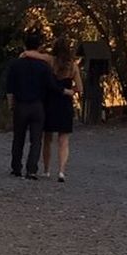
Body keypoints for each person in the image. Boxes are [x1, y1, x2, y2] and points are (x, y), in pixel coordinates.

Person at [2, 32, 60, 179]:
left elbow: (9, 87)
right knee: (36, 139)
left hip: (21, 104)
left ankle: (16, 167)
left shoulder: (15, 65)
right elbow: (51, 86)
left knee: (18, 137)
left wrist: (11, 104)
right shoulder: (44, 66)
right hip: (37, 105)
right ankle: (32, 169)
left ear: (24, 46)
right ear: (39, 46)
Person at [42, 39, 80, 182]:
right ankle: (61, 171)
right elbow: (80, 88)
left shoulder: (50, 62)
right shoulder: (73, 67)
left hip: (50, 102)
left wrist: (26, 53)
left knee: (47, 137)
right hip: (65, 104)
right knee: (63, 139)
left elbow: (38, 56)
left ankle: (46, 170)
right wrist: (71, 90)